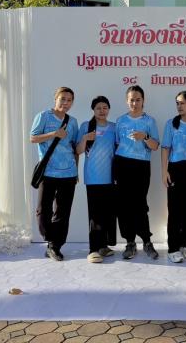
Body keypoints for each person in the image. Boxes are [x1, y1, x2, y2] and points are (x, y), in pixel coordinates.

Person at [30, 86, 79, 262]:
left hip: (69, 172)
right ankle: (51, 239)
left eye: (69, 100)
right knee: (43, 210)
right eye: (62, 99)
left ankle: (55, 246)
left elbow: (74, 147)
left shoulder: (72, 121)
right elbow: (33, 138)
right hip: (48, 171)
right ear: (55, 98)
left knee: (63, 211)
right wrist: (54, 134)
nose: (66, 102)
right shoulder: (43, 116)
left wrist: (76, 170)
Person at [113, 85, 160, 260]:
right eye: (131, 100)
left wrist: (145, 137)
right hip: (122, 164)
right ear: (127, 101)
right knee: (123, 205)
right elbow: (117, 143)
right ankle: (130, 243)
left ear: (143, 100)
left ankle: (147, 241)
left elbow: (155, 146)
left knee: (140, 204)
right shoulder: (120, 120)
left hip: (141, 166)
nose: (135, 103)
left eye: (138, 99)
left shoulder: (149, 121)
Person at [76, 96, 117, 264]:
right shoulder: (85, 126)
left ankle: (103, 246)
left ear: (109, 109)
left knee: (108, 214)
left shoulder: (114, 127)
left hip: (111, 177)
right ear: (93, 109)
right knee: (95, 215)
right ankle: (93, 250)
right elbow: (78, 150)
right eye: (98, 108)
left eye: (105, 107)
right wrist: (85, 138)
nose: (102, 111)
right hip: (93, 177)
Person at [161, 91, 186, 264]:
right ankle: (173, 248)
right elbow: (165, 149)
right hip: (175, 169)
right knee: (175, 210)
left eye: (182, 103)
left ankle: (185, 245)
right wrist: (164, 171)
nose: (179, 106)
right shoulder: (171, 124)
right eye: (177, 103)